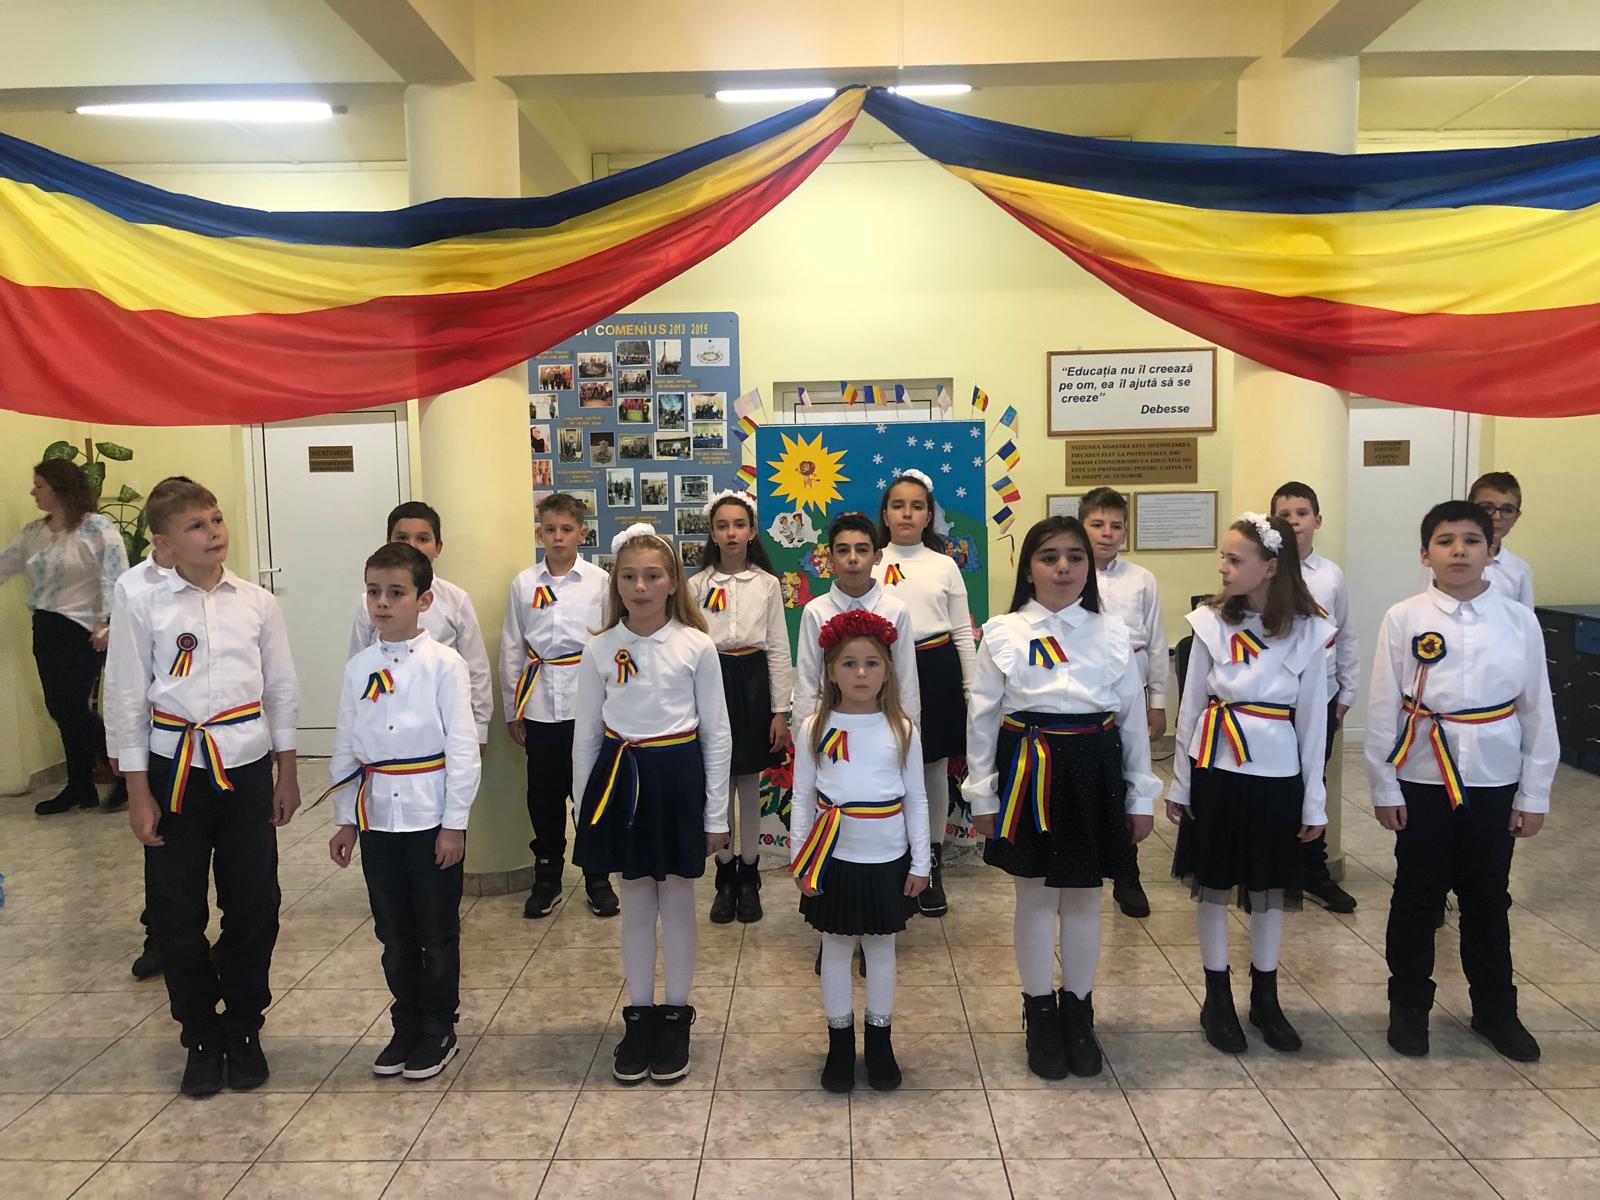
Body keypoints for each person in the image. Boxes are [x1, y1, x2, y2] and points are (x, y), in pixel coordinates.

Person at [105, 478, 301, 1098]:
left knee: (254, 904)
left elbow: (281, 688)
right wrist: (138, 790)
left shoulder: (256, 602)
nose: (213, 532)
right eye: (195, 526)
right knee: (176, 911)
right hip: (174, 770)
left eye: (215, 519)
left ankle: (243, 1025)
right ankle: (198, 1032)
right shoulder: (145, 601)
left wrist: (287, 770)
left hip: (245, 767)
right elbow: (127, 696)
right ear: (163, 544)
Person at [965, 516, 1160, 1079]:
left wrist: (1140, 794)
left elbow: (1132, 720)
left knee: (1083, 898)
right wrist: (982, 794)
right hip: (1030, 766)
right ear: (1029, 568)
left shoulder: (1112, 631)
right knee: (1034, 896)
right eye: (1049, 557)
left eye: (1075, 557)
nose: (1064, 567)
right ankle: (1040, 1012)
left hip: (1094, 766)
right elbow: (982, 718)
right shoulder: (1003, 632)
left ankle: (1078, 1010)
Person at [1365, 500, 1557, 1063]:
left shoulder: (1518, 620)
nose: (1459, 551)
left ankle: (1495, 1009)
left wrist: (1534, 792)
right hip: (1423, 775)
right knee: (1417, 892)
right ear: (1425, 554)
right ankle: (1408, 1006)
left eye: (1472, 540)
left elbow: (1537, 709)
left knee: (1487, 895)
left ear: (1491, 551)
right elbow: (1383, 706)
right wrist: (1384, 785)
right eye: (1445, 541)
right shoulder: (1405, 617)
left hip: (1494, 776)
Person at [1166, 514, 1332, 1057]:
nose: (1223, 567)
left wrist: (1314, 802)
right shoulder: (1210, 623)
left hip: (1276, 774)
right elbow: (1191, 709)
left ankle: (1266, 994)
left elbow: (1313, 723)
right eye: (1223, 557)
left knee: (1269, 889)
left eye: (1235, 559)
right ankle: (1216, 994)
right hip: (1216, 769)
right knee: (1213, 882)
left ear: (1271, 567)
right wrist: (1181, 784)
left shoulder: (1309, 631)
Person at [571, 523, 731, 1086]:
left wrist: (716, 815)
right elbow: (585, 735)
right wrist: (584, 808)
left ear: (673, 583)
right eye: (630, 577)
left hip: (677, 777)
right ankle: (639, 1014)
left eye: (652, 576)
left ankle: (676, 1014)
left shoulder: (696, 645)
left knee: (678, 896)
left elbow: (717, 734)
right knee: (636, 895)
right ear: (616, 584)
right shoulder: (599, 647)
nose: (640, 587)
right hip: (621, 777)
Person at [325, 542, 481, 1080]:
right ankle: (406, 1022)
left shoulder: (445, 665)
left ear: (424, 600)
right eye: (374, 592)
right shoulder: (359, 668)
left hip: (430, 816)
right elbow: (347, 744)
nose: (383, 603)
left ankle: (439, 1026)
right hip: (377, 817)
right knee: (393, 932)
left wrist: (454, 824)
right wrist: (346, 818)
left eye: (396, 593)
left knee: (435, 931)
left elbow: (462, 747)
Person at [791, 610, 930, 1092]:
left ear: (888, 669)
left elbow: (916, 797)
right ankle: (838, 1043)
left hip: (886, 858)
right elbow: (803, 797)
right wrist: (801, 859)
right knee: (834, 946)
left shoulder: (902, 728)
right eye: (849, 664)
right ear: (831, 671)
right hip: (832, 858)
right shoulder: (814, 726)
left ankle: (880, 1041)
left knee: (881, 947)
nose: (861, 674)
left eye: (872, 663)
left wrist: (921, 862)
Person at [501, 494, 614, 919]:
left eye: (567, 529)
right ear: (539, 533)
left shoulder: (599, 582)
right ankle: (547, 876)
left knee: (590, 790)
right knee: (544, 795)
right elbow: (512, 647)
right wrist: (513, 709)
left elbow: (612, 642)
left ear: (582, 533)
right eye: (550, 529)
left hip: (588, 703)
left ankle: (597, 876)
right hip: (540, 702)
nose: (558, 537)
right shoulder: (524, 583)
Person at [0, 458, 128, 814]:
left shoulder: (97, 528)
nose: (34, 492)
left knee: (70, 707)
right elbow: (5, 564)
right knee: (60, 708)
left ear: (60, 487)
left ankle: (126, 773)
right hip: (47, 626)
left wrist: (107, 623)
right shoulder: (34, 533)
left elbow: (115, 578)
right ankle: (80, 787)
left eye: (39, 485)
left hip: (85, 630)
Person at [688, 490, 791, 924]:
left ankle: (749, 874)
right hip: (713, 680)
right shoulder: (696, 585)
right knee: (719, 781)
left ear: (751, 532)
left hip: (753, 683)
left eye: (739, 524)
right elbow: (688, 647)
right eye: (722, 525)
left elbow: (779, 648)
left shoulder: (766, 584)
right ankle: (724, 874)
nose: (731, 533)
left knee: (748, 782)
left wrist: (779, 710)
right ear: (712, 533)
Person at [877, 470, 975, 919]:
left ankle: (931, 861)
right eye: (898, 505)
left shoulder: (945, 565)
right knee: (887, 764)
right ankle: (890, 861)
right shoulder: (871, 560)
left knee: (933, 768)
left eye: (917, 506)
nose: (907, 513)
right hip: (882, 670)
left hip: (936, 667)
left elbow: (961, 631)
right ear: (885, 514)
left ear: (929, 515)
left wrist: (971, 689)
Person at [103, 476, 188, 980]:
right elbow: (123, 676)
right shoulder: (133, 586)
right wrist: (120, 745)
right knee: (162, 842)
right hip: (160, 740)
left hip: (213, 744)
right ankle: (159, 933)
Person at [1078, 487, 1169, 920]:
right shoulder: (1070, 574)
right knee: (1090, 782)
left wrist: (1158, 700)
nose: (1107, 533)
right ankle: (1083, 866)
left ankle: (1127, 875)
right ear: (1082, 526)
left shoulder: (1141, 580)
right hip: (1085, 693)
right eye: (1097, 524)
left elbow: (1157, 643)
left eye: (1116, 526)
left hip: (1130, 689)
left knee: (1128, 778)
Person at [1271, 481, 1360, 915]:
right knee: (1271, 784)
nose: (1294, 522)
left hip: (1321, 695)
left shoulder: (1330, 576)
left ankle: (1313, 872)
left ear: (1317, 520)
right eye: (1284, 514)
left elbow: (1346, 635)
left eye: (1302, 513)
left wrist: (1346, 692)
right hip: (1271, 700)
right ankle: (1270, 871)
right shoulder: (1262, 569)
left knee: (1312, 783)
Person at [347, 502, 492, 752]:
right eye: (402, 538)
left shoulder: (455, 599)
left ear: (438, 547)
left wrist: (479, 728)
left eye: (422, 539)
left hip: (441, 721)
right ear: (389, 542)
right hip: (383, 718)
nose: (412, 546)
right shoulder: (370, 603)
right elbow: (357, 664)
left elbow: (476, 668)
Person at [1471, 471, 1535, 609]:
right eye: (1487, 508)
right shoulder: (1445, 560)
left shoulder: (1520, 570)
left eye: (1507, 510)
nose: (1496, 517)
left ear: (1516, 517)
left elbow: (1525, 619)